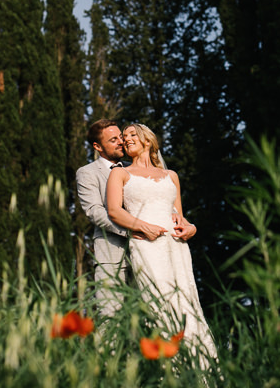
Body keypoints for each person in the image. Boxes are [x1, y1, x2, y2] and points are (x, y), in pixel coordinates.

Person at [106, 123, 217, 367]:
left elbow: (179, 215)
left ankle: (198, 367)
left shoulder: (171, 176)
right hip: (146, 245)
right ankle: (167, 368)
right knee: (158, 301)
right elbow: (114, 211)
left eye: (132, 134)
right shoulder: (119, 173)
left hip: (176, 247)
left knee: (186, 301)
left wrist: (191, 228)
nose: (126, 139)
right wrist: (142, 226)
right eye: (124, 137)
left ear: (148, 140)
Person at [75, 119, 129, 317]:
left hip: (147, 253)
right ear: (97, 146)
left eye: (120, 137)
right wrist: (132, 231)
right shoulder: (87, 173)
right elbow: (94, 212)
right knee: (112, 317)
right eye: (113, 139)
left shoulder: (134, 169)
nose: (121, 142)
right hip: (111, 256)